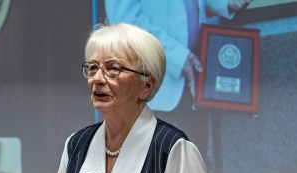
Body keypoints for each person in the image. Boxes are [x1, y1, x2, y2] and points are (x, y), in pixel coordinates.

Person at [45, 23, 214, 173]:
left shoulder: (173, 149)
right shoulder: (76, 146)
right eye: (92, 68)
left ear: (147, 86)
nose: (97, 79)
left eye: (113, 68)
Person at [105, 1, 253, 153]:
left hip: (194, 78)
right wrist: (178, 58)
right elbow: (126, 25)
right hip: (152, 92)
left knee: (195, 162)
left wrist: (225, 3)